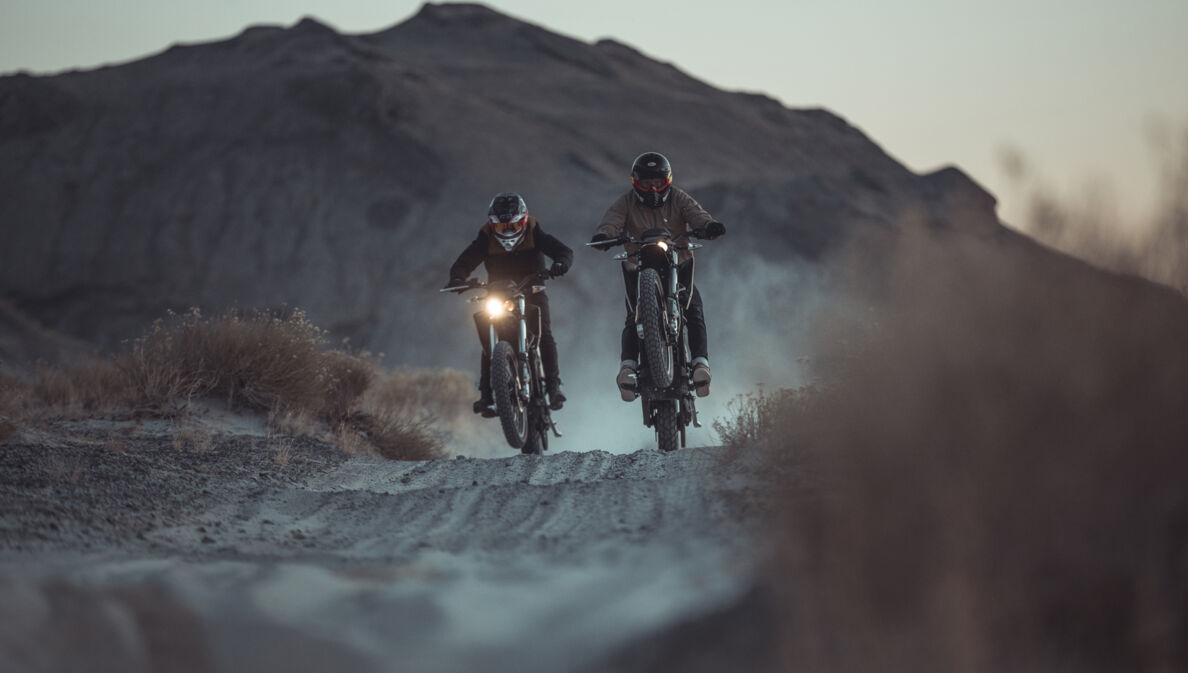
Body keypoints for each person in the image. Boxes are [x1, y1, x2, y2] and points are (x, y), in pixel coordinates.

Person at [589, 152, 725, 401]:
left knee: (693, 308)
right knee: (634, 314)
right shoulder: (626, 202)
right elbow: (611, 221)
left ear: (668, 181)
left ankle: (699, 365)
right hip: (638, 266)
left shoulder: (679, 198)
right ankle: (628, 369)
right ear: (635, 183)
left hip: (678, 263)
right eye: (645, 184)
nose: (652, 189)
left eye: (658, 183)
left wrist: (708, 226)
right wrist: (603, 236)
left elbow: (697, 214)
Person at [445, 192, 573, 414]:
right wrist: (457, 278)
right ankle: (486, 395)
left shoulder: (535, 231)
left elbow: (563, 251)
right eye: (502, 228)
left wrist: (560, 263)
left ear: (523, 220)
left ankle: (554, 386)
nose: (508, 232)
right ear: (493, 225)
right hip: (498, 293)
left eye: (512, 226)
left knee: (544, 334)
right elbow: (464, 261)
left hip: (532, 290)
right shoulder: (485, 238)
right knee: (490, 342)